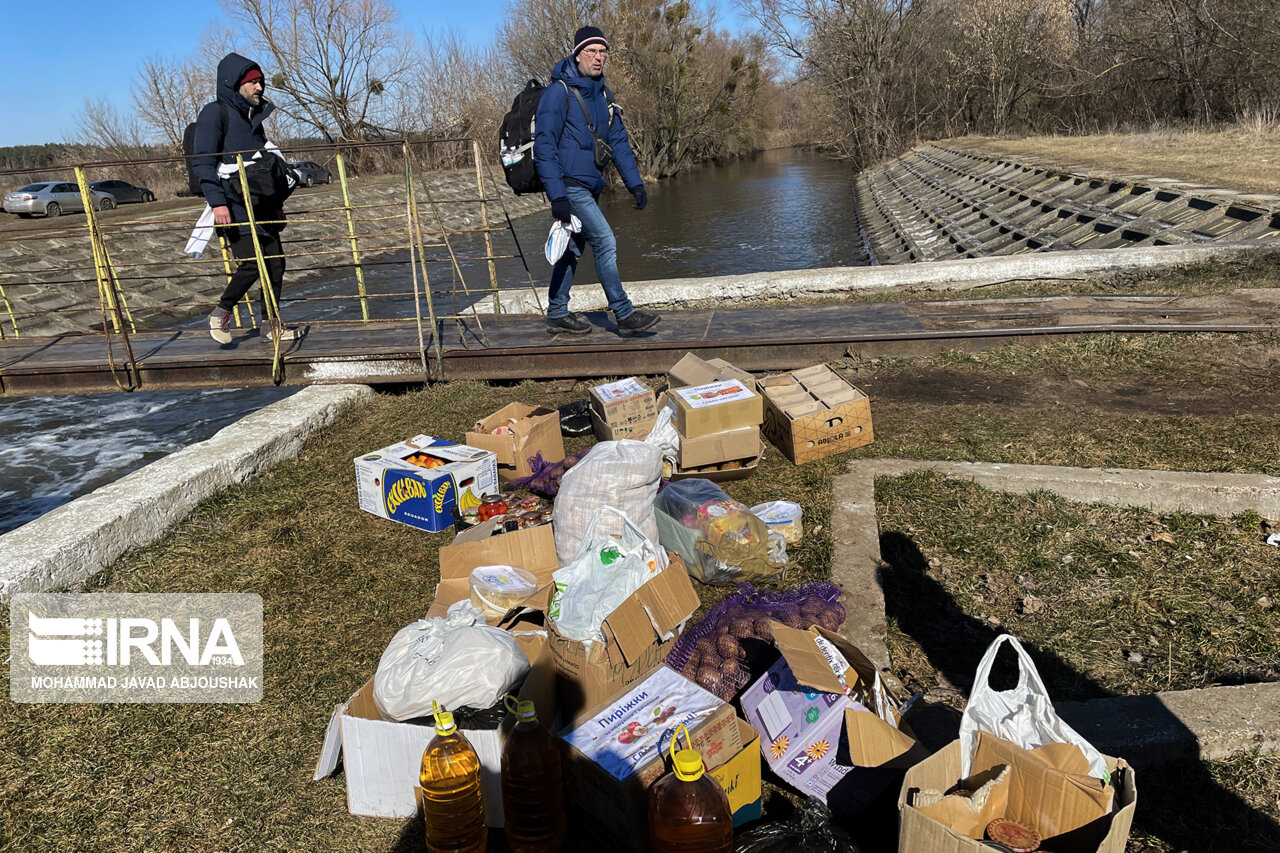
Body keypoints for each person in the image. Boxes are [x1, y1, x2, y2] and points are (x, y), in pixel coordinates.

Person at [533, 26, 660, 336]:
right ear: (577, 55)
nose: (598, 57)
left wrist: (635, 183)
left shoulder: (603, 94)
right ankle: (624, 313)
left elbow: (618, 141)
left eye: (603, 52)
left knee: (574, 250)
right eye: (592, 51)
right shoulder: (558, 92)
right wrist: (557, 196)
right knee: (605, 240)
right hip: (569, 185)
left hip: (589, 185)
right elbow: (544, 147)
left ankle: (557, 312)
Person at [192, 52, 296, 344]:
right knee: (252, 262)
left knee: (276, 262)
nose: (259, 88)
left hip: (262, 201)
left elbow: (261, 160)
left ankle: (271, 324)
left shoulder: (252, 116)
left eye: (260, 82)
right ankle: (221, 313)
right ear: (234, 83)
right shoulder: (214, 113)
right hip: (233, 203)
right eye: (253, 83)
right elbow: (201, 162)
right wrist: (218, 203)